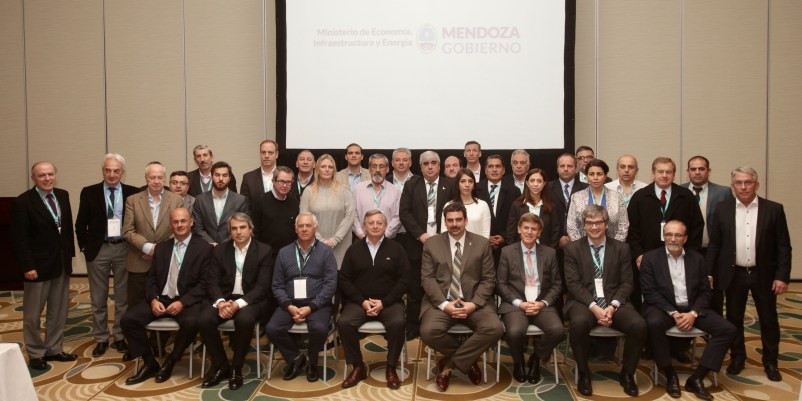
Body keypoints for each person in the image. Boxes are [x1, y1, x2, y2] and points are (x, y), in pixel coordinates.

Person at [706, 166, 792, 382]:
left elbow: (783, 246)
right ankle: (738, 359)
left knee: (768, 320)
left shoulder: (773, 209)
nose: (743, 187)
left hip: (763, 274)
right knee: (734, 318)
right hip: (733, 274)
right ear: (732, 186)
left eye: (748, 182)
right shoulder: (722, 208)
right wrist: (709, 272)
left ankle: (770, 363)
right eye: (739, 183)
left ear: (757, 185)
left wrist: (782, 275)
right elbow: (715, 245)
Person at [641, 220, 735, 400]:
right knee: (653, 323)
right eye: (669, 234)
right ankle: (669, 374)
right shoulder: (650, 259)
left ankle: (698, 377)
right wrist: (674, 313)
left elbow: (705, 291)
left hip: (692, 309)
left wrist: (693, 313)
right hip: (663, 308)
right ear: (664, 236)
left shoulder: (697, 259)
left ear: (685, 238)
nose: (673, 239)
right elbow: (650, 292)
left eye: (678, 235)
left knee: (727, 329)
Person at [121, 208, 213, 385]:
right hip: (161, 299)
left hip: (187, 300)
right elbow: (151, 278)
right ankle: (149, 363)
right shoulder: (162, 248)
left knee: (193, 322)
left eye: (183, 221)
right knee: (128, 319)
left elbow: (205, 283)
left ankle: (171, 360)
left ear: (191, 222)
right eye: (176, 222)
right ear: (170, 225)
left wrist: (183, 302)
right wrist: (153, 298)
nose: (180, 225)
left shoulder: (204, 249)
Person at [563, 205, 646, 397]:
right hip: (583, 302)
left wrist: (612, 306)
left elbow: (627, 283)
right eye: (589, 223)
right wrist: (594, 307)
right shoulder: (572, 249)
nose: (594, 227)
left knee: (639, 325)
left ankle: (627, 373)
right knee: (579, 323)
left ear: (606, 224)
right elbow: (573, 284)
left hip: (614, 302)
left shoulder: (622, 249)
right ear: (583, 225)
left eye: (598, 222)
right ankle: (583, 372)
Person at [420, 203, 503, 392]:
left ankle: (448, 366)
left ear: (465, 220)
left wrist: (473, 304)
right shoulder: (432, 244)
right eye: (450, 220)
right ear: (445, 222)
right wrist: (444, 305)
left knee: (494, 328)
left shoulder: (482, 244)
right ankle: (470, 361)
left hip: (474, 302)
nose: (455, 224)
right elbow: (427, 278)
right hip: (442, 302)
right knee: (428, 331)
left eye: (458, 219)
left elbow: (489, 279)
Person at [11, 161, 77, 370]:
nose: (47, 178)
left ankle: (54, 349)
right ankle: (35, 353)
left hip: (60, 264)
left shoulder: (63, 195)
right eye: (42, 175)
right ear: (34, 179)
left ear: (56, 175)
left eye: (50, 174)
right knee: (33, 314)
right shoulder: (23, 202)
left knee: (58, 311)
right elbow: (19, 238)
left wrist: (69, 258)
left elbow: (65, 230)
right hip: (36, 268)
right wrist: (27, 266)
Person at [197, 213, 274, 390]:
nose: (238, 232)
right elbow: (212, 281)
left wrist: (238, 305)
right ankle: (221, 365)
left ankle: (236, 369)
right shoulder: (219, 250)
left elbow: (262, 287)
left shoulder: (264, 250)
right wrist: (221, 302)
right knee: (204, 319)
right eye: (234, 228)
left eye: (242, 227)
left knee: (244, 320)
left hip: (251, 300)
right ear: (229, 231)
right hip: (225, 298)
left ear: (250, 229)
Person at [338, 210, 409, 390]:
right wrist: (362, 301)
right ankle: (358, 367)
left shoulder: (397, 248)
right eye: (371, 223)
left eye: (379, 223)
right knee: (345, 323)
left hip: (389, 302)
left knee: (398, 322)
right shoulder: (354, 249)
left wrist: (384, 303)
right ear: (364, 226)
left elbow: (405, 279)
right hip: (360, 302)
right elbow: (344, 279)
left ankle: (391, 367)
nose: (375, 226)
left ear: (385, 226)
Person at [75, 154, 138, 357]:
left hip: (124, 249)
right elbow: (80, 224)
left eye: (116, 170)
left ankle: (119, 335)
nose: (112, 174)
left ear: (122, 172)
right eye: (108, 170)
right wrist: (85, 247)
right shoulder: (89, 192)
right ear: (103, 171)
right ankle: (101, 337)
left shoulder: (132, 193)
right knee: (98, 297)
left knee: (122, 297)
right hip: (99, 249)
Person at [266, 212, 338, 382]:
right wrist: (289, 306)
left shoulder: (326, 252)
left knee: (319, 328)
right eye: (301, 226)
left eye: (308, 225)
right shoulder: (284, 253)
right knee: (272, 328)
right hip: (290, 303)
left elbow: (330, 284)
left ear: (315, 228)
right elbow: (277, 285)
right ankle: (296, 358)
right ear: (295, 229)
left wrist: (311, 307)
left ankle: (312, 362)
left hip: (317, 304)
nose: (304, 229)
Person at [627, 157, 704, 312]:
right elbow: (632, 230)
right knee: (648, 296)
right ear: (653, 173)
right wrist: (638, 254)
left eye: (668, 172)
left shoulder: (686, 196)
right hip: (647, 258)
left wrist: (690, 254)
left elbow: (696, 227)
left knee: (678, 293)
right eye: (660, 171)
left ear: (674, 174)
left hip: (679, 257)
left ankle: (681, 323)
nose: (664, 175)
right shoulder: (640, 197)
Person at [497, 213, 565, 384]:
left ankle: (536, 357)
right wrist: (521, 304)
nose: (529, 232)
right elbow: (501, 284)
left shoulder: (549, 253)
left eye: (533, 229)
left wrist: (543, 303)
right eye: (526, 228)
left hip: (542, 304)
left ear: (539, 232)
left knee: (557, 330)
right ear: (519, 230)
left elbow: (557, 284)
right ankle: (518, 361)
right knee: (514, 331)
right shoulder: (507, 252)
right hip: (516, 304)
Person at [398, 151, 453, 339]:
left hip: (444, 244)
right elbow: (404, 212)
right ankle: (412, 327)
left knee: (442, 286)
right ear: (420, 167)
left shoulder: (450, 185)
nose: (430, 166)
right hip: (417, 244)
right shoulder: (411, 184)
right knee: (415, 288)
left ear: (439, 165)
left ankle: (442, 323)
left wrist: (441, 236)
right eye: (426, 164)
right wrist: (421, 235)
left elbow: (456, 212)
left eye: (434, 163)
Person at [123, 162, 183, 307]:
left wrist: (160, 250)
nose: (156, 181)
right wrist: (148, 247)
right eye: (152, 177)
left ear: (165, 179)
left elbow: (180, 230)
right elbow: (127, 230)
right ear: (146, 178)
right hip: (139, 261)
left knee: (165, 304)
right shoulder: (133, 200)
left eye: (160, 177)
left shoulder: (176, 199)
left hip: (167, 261)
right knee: (136, 306)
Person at [682, 155, 734, 315]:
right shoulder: (679, 191)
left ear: (708, 171)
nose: (697, 172)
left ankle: (712, 328)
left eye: (701, 169)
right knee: (688, 290)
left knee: (714, 292)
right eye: (693, 169)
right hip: (686, 251)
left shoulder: (723, 192)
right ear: (687, 172)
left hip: (713, 251)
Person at [300, 154, 356, 268]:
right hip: (315, 245)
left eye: (330, 167)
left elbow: (350, 216)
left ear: (334, 170)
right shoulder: (308, 191)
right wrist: (321, 241)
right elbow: (304, 219)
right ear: (317, 169)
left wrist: (335, 240)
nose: (326, 169)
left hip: (341, 245)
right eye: (323, 166)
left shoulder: (344, 190)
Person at [567, 159, 629, 241]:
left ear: (605, 176)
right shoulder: (576, 197)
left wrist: (614, 249)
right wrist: (582, 249)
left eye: (599, 174)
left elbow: (623, 226)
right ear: (587, 176)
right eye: (591, 174)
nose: (595, 178)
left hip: (612, 248)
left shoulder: (617, 197)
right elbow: (572, 227)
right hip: (582, 249)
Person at [191, 161, 249, 245]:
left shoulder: (240, 200)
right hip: (206, 247)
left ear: (229, 178)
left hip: (230, 247)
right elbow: (197, 228)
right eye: (217, 175)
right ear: (211, 177)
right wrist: (211, 243)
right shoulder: (200, 200)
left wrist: (222, 245)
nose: (221, 179)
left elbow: (241, 226)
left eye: (224, 175)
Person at [477, 155, 517, 263]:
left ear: (503, 170)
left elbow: (515, 219)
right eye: (490, 166)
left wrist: (504, 237)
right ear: (485, 170)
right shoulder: (475, 189)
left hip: (506, 246)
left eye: (498, 166)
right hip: (481, 246)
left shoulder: (514, 191)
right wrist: (485, 237)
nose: (494, 170)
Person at [506, 169, 561, 249]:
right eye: (532, 181)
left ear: (544, 184)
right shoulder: (517, 205)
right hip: (519, 253)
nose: (535, 184)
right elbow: (510, 233)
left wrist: (548, 253)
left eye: (539, 181)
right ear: (527, 183)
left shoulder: (551, 206)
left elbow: (555, 232)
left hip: (545, 253)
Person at [252, 166, 299, 258]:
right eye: (282, 181)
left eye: (289, 182)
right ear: (273, 181)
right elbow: (255, 230)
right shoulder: (261, 201)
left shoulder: (294, 202)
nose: (285, 185)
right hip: (266, 254)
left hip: (290, 254)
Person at [352, 154, 402, 240]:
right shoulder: (358, 189)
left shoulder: (396, 191)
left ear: (387, 169)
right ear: (369, 169)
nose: (377, 170)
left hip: (387, 241)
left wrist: (385, 236)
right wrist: (361, 235)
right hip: (362, 240)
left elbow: (398, 217)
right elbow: (353, 215)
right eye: (374, 166)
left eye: (381, 166)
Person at [547, 153, 588, 250]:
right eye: (562, 166)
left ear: (576, 168)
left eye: (569, 166)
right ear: (557, 169)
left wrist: (573, 237)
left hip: (580, 243)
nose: (565, 169)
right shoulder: (547, 188)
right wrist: (558, 239)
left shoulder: (585, 189)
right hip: (553, 244)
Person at [441, 168, 491, 238]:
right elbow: (444, 233)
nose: (467, 185)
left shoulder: (483, 205)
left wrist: (479, 248)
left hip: (477, 247)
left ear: (474, 185)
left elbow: (486, 234)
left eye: (470, 181)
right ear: (457, 184)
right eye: (463, 181)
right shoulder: (449, 205)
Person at [240, 139, 279, 207]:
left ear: (277, 154)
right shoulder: (248, 178)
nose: (266, 156)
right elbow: (244, 206)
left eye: (270, 152)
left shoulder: (285, 176)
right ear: (260, 154)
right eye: (263, 152)